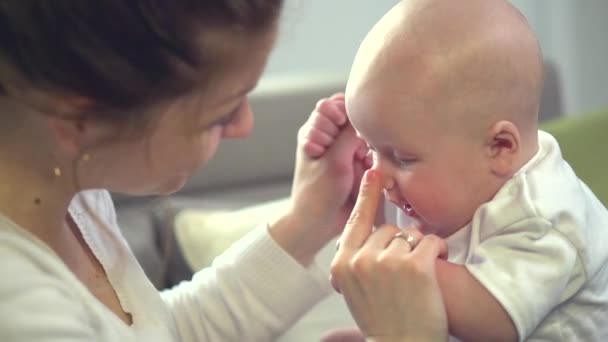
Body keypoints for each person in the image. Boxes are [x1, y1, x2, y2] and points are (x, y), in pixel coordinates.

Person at [0, 1, 389, 341]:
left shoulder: (73, 191)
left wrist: (308, 221)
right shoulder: (17, 306)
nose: (244, 126)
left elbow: (161, 330)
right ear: (81, 120)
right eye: (221, 114)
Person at [312, 0, 608, 341]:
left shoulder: (546, 218)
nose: (379, 176)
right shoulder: (451, 170)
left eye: (403, 158)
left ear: (499, 147)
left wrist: (385, 267)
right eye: (370, 147)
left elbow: (494, 321)